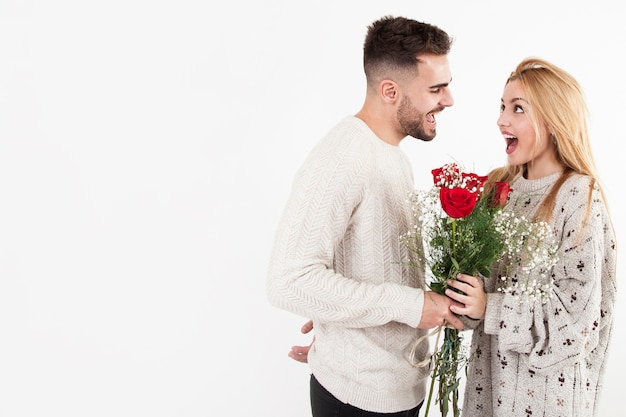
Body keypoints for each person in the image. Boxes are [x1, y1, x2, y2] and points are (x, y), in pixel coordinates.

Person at [266, 15, 464, 417]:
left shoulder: (393, 157)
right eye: (436, 88)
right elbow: (288, 280)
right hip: (355, 401)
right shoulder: (343, 158)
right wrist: (409, 306)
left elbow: (366, 273)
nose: (448, 99)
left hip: (394, 390)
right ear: (390, 90)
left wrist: (337, 322)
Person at [445, 57, 617, 416]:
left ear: (553, 122)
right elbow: (478, 287)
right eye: (502, 106)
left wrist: (488, 308)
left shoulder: (578, 195)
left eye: (517, 108)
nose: (501, 119)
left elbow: (576, 320)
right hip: (487, 392)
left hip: (543, 401)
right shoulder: (497, 186)